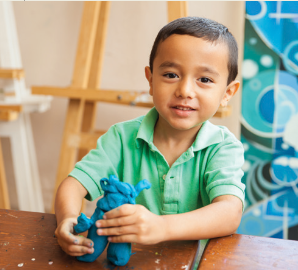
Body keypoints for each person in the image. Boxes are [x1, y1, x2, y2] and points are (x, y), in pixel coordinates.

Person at [55, 16, 245, 257]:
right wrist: (68, 219)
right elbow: (73, 185)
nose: (185, 90)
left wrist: (162, 227)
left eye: (204, 80)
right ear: (151, 79)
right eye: (170, 75)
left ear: (227, 93)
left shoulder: (223, 147)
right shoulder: (121, 137)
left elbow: (229, 212)